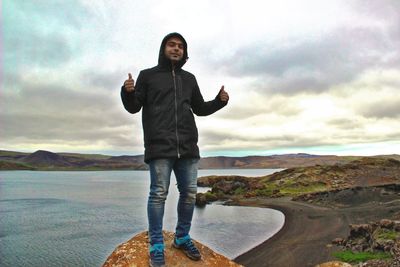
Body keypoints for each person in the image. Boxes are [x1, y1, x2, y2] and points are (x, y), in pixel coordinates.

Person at [121, 32, 229, 267]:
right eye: (172, 45)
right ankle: (157, 245)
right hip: (159, 147)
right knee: (158, 194)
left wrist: (220, 101)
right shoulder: (147, 76)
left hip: (188, 147)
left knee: (189, 193)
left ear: (184, 52)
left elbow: (199, 108)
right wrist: (127, 92)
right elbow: (134, 107)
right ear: (163, 48)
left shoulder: (189, 78)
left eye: (180, 46)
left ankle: (181, 237)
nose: (176, 49)